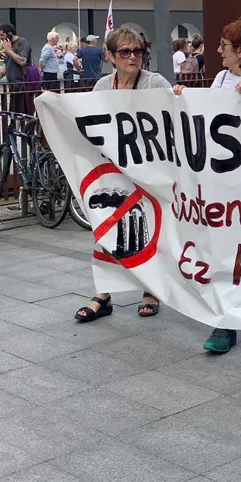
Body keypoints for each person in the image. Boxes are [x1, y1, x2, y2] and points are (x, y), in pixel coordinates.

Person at [172, 19, 241, 354]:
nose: (217, 51)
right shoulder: (220, 78)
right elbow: (206, 117)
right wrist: (182, 98)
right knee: (223, 249)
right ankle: (226, 321)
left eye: (224, 45)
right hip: (224, 180)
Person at [73, 25, 171, 325]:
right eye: (125, 52)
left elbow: (176, 116)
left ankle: (150, 290)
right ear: (111, 56)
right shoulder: (103, 86)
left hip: (148, 170)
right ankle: (104, 293)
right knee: (106, 227)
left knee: (149, 228)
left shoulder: (154, 83)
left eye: (138, 51)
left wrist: (178, 96)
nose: (133, 57)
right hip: (112, 171)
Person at [0, 24, 31, 108]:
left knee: (22, 110)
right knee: (14, 110)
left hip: (22, 83)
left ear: (10, 33)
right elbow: (6, 64)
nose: (0, 38)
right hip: (13, 85)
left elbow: (22, 61)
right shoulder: (8, 45)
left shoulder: (22, 43)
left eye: (2, 35)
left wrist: (9, 50)